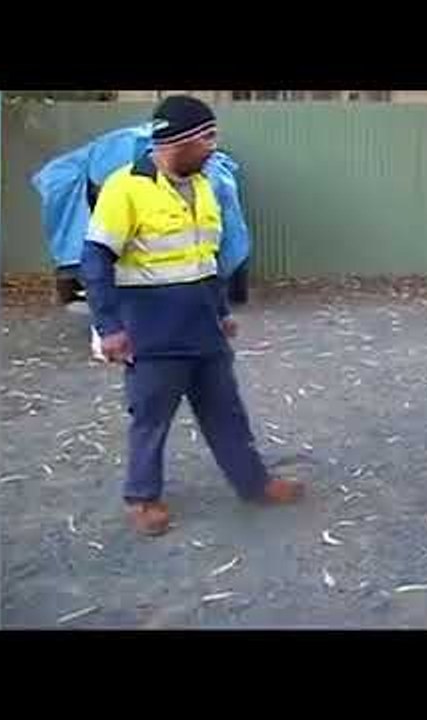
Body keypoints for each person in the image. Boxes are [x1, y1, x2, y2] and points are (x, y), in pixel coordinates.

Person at [80, 95, 304, 536]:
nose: (213, 146)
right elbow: (95, 259)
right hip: (152, 333)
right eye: (207, 137)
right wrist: (108, 327)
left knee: (227, 412)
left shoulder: (203, 185)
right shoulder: (124, 187)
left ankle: (254, 484)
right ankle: (143, 498)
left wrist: (221, 312)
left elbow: (205, 259)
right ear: (176, 141)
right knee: (151, 418)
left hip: (204, 329)